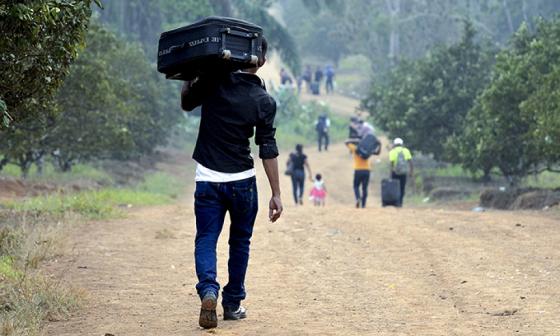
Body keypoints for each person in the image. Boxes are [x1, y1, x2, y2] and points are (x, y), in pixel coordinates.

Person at [181, 37, 283, 329]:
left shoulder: (214, 81)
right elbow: (267, 149)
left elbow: (187, 103)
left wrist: (190, 73)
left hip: (208, 180)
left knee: (206, 238)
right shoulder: (264, 101)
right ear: (260, 62)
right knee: (240, 242)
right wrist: (276, 193)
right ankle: (233, 303)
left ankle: (209, 290)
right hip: (242, 183)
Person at [345, 139, 372, 208]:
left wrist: (356, 140)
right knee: (364, 188)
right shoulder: (367, 150)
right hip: (367, 170)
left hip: (358, 170)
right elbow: (376, 151)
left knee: (356, 186)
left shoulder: (355, 148)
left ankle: (358, 198)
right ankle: (363, 204)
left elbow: (346, 142)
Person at [389, 138, 414, 207]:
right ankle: (400, 202)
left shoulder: (392, 151)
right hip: (403, 172)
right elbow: (411, 162)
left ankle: (396, 202)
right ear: (401, 144)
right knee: (402, 188)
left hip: (395, 173)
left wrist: (390, 174)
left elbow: (391, 164)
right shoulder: (406, 151)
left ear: (394, 144)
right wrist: (411, 172)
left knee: (395, 188)